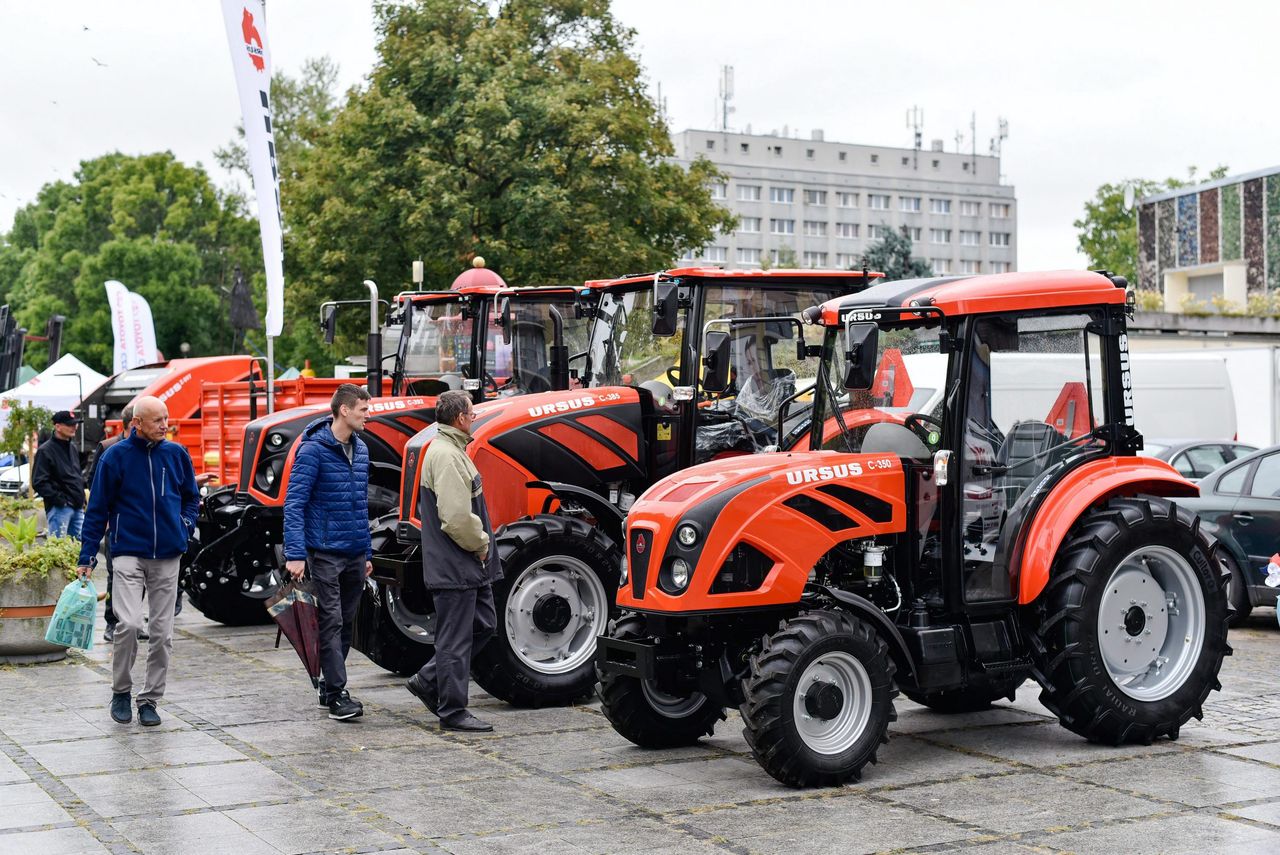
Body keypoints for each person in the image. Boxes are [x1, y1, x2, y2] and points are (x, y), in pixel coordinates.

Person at [77, 396, 199, 727]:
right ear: (137, 423)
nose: (164, 425)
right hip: (127, 551)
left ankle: (149, 699)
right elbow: (97, 509)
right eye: (157, 420)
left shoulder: (176, 454)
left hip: (168, 554)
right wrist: (87, 555)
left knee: (162, 633)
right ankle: (121, 691)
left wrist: (185, 525)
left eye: (166, 418)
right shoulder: (115, 457)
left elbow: (191, 497)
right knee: (129, 624)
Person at [405, 389, 501, 732]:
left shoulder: (451, 449)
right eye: (472, 413)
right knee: (455, 640)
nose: (474, 418)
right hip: (456, 564)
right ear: (460, 418)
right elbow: (456, 518)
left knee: (484, 624)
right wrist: (482, 544)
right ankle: (453, 711)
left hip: (465, 566)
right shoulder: (446, 455)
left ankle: (428, 679)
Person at [283, 384, 373, 722]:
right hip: (324, 554)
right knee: (331, 620)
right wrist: (295, 554)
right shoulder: (313, 450)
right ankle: (336, 695)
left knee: (345, 622)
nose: (367, 416)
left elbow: (360, 507)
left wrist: (366, 552)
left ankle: (328, 685)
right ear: (344, 410)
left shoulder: (361, 449)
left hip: (354, 553)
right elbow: (294, 504)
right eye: (363, 410)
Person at [86, 405, 133, 643]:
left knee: (138, 580)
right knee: (115, 576)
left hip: (140, 529)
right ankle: (112, 623)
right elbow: (94, 484)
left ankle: (132, 621)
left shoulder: (152, 449)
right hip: (115, 526)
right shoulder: (108, 448)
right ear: (134, 423)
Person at [33, 410, 85, 538]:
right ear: (57, 426)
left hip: (77, 507)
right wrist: (60, 500)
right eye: (70, 424)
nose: (74, 427)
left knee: (83, 544)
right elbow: (39, 482)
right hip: (60, 509)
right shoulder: (45, 450)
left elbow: (76, 476)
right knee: (58, 545)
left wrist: (82, 498)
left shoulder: (72, 447)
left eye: (75, 424)